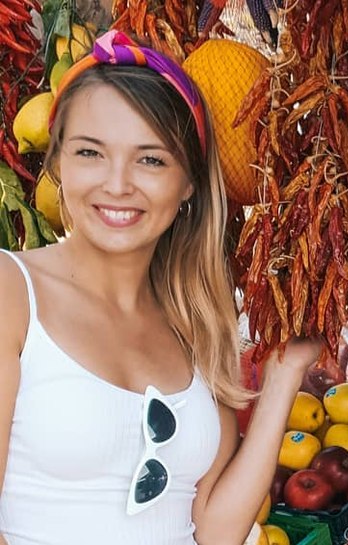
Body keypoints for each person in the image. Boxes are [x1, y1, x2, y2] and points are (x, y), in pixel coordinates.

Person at [0, 30, 321, 544]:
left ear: (188, 182)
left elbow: (214, 530)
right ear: (57, 160)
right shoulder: (11, 294)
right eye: (90, 153)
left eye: (151, 159)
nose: (118, 183)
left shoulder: (195, 319)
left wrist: (285, 374)